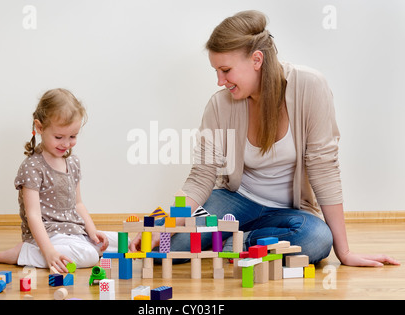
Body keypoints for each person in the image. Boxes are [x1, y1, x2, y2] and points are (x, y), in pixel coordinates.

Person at [130, 10, 400, 267]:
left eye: (225, 70)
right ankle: (235, 241)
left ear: (256, 60)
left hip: (288, 212)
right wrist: (162, 225)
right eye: (216, 71)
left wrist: (346, 252)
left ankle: (234, 242)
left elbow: (324, 169)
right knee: (165, 249)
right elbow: (201, 177)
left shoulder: (310, 87)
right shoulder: (220, 105)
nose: (219, 81)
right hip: (235, 200)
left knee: (316, 240)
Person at [0, 88, 120, 272]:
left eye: (73, 136)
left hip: (73, 231)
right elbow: (33, 215)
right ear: (39, 128)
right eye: (59, 137)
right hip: (49, 235)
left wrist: (92, 231)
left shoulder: (73, 162)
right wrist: (49, 251)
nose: (66, 143)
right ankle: (26, 252)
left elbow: (78, 204)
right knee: (91, 255)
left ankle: (77, 246)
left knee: (121, 242)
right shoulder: (32, 167)